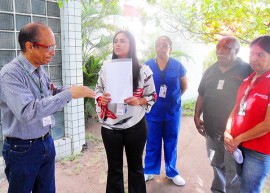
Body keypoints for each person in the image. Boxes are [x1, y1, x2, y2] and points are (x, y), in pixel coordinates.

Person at [0, 22, 96, 193]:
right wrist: (69, 94)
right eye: (49, 47)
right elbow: (28, 111)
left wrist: (72, 90)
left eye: (54, 47)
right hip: (22, 150)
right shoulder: (10, 74)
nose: (53, 52)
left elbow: (49, 92)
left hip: (45, 142)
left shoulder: (39, 69)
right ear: (30, 46)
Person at [95, 30, 156, 193]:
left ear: (131, 45)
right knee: (114, 169)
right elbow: (98, 91)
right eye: (115, 41)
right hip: (110, 128)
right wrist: (101, 99)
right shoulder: (106, 68)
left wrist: (139, 100)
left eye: (123, 41)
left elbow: (152, 96)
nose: (118, 44)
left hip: (135, 127)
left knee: (136, 168)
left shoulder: (144, 71)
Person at [194, 36, 252, 193]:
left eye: (226, 48)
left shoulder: (247, 70)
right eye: (218, 48)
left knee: (233, 171)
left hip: (234, 134)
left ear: (237, 50)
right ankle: (218, 191)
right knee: (215, 163)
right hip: (212, 131)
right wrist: (196, 115)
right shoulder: (211, 70)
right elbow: (202, 94)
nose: (220, 51)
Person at [224, 36, 270, 193]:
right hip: (238, 146)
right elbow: (236, 108)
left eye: (260, 54)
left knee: (249, 190)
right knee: (239, 186)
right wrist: (227, 131)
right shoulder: (248, 79)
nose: (253, 59)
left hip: (257, 151)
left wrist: (238, 138)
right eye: (251, 54)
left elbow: (268, 124)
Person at [144, 36, 188, 186]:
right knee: (152, 141)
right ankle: (149, 170)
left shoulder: (177, 66)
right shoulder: (148, 65)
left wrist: (172, 99)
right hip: (153, 112)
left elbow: (184, 86)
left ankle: (172, 172)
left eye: (165, 45)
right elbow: (143, 87)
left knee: (171, 141)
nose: (161, 48)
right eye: (158, 45)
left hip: (172, 111)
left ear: (171, 48)